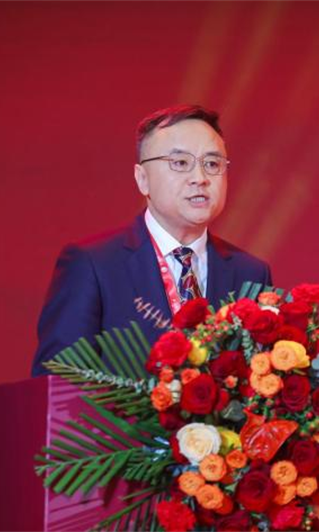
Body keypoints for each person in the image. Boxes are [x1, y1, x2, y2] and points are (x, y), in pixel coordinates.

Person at [31, 104, 272, 376]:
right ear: (142, 179)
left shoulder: (250, 273)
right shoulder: (94, 265)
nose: (200, 178)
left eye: (212, 164)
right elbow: (58, 382)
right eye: (180, 163)